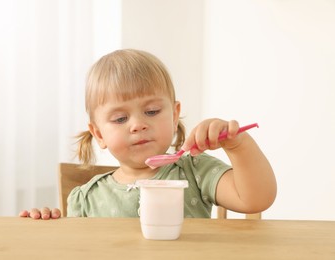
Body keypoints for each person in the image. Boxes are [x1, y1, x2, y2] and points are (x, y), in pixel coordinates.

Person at [19, 49, 276, 220]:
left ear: (175, 115)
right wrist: (47, 224)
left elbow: (255, 199)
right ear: (99, 134)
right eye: (120, 119)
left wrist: (238, 146)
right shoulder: (85, 198)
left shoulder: (196, 172)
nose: (138, 125)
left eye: (152, 111)